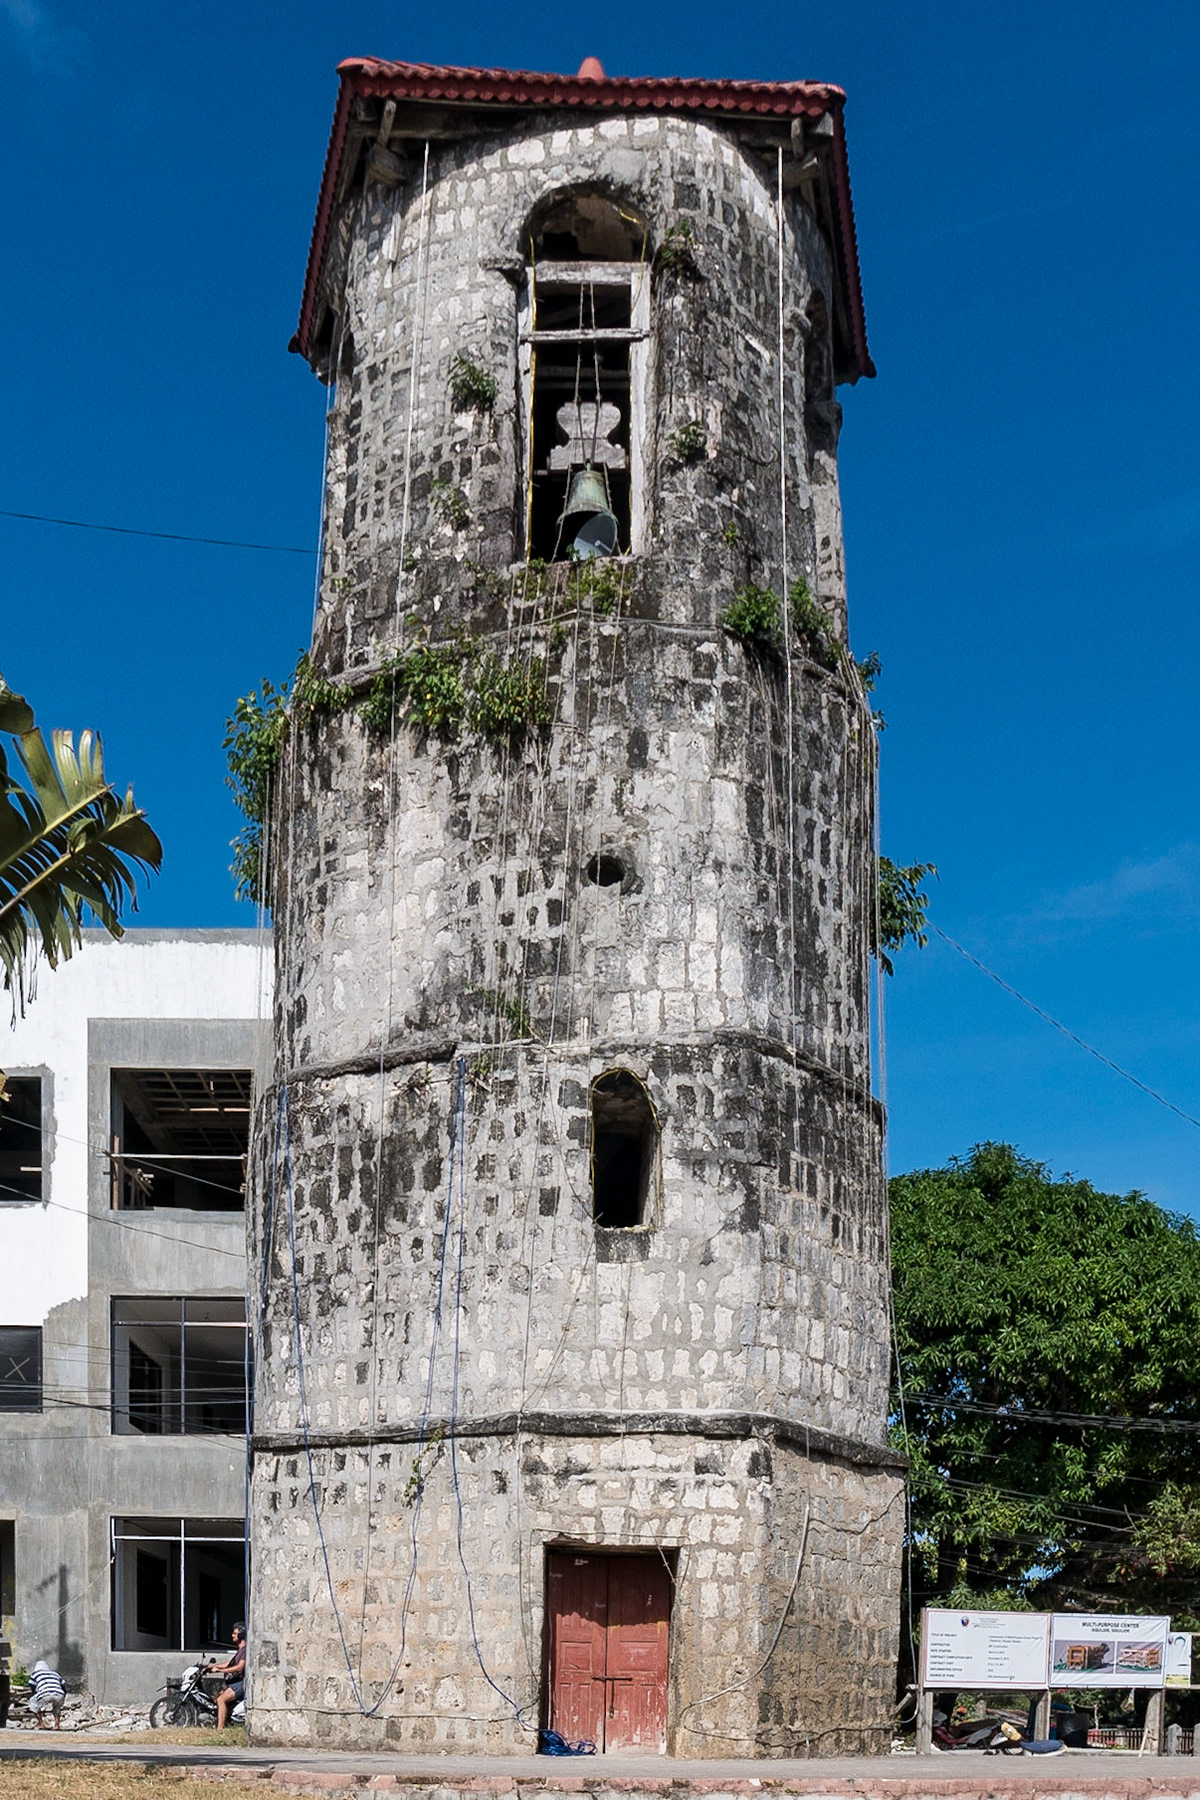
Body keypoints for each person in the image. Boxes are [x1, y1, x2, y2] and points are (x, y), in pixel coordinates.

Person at [214, 1622, 246, 1729]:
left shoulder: (246, 1650)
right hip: (237, 1682)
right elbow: (229, 1663)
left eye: (235, 1633)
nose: (232, 1635)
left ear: (241, 1635)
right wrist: (210, 1667)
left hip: (242, 1683)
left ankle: (220, 1729)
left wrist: (220, 1671)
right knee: (217, 1698)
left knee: (221, 1700)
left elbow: (240, 1667)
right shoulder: (240, 1651)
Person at [29, 1660, 65, 1729]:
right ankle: (57, 1725)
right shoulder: (56, 1673)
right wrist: (63, 1696)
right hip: (59, 1694)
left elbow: (32, 1686)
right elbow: (63, 1685)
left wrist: (35, 1696)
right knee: (57, 1708)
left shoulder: (35, 1674)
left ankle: (41, 1723)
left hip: (44, 1693)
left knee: (33, 1704)